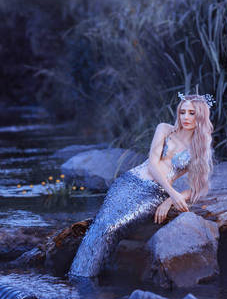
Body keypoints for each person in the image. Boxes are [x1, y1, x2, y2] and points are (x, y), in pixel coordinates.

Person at [68, 92, 215, 278]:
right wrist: (173, 192)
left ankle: (85, 280)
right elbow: (153, 165)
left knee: (111, 228)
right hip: (129, 181)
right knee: (101, 224)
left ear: (201, 116)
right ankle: (78, 277)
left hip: (154, 194)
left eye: (192, 113)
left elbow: (200, 188)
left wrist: (170, 200)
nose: (185, 117)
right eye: (182, 112)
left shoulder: (199, 148)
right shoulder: (164, 129)